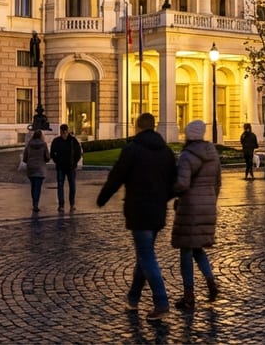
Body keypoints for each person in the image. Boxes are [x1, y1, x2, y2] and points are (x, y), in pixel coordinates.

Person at [97, 112, 177, 321]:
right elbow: (174, 182)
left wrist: (102, 198)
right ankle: (133, 298)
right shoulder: (166, 151)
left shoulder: (132, 149)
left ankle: (161, 303)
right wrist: (163, 198)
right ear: (154, 127)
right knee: (144, 254)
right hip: (158, 211)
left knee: (146, 256)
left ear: (138, 127)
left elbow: (116, 176)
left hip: (139, 210)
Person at [172, 120, 221, 310]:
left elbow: (182, 184)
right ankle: (211, 283)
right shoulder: (213, 154)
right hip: (208, 206)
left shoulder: (187, 155)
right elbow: (217, 183)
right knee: (198, 248)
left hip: (190, 209)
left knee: (186, 251)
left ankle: (188, 296)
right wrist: (211, 200)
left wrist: (170, 190)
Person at [49, 124, 83, 212]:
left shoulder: (72, 140)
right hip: (63, 166)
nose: (64, 133)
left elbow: (78, 153)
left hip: (69, 166)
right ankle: (64, 205)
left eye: (64, 131)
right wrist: (57, 161)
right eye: (63, 131)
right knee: (64, 185)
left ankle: (68, 204)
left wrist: (74, 162)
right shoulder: (60, 141)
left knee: (69, 185)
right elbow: (52, 153)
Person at [22, 129, 50, 213]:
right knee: (38, 187)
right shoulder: (44, 144)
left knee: (33, 186)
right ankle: (36, 204)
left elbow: (25, 157)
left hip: (31, 167)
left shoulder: (29, 144)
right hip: (40, 168)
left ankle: (34, 202)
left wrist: (29, 161)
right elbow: (47, 157)